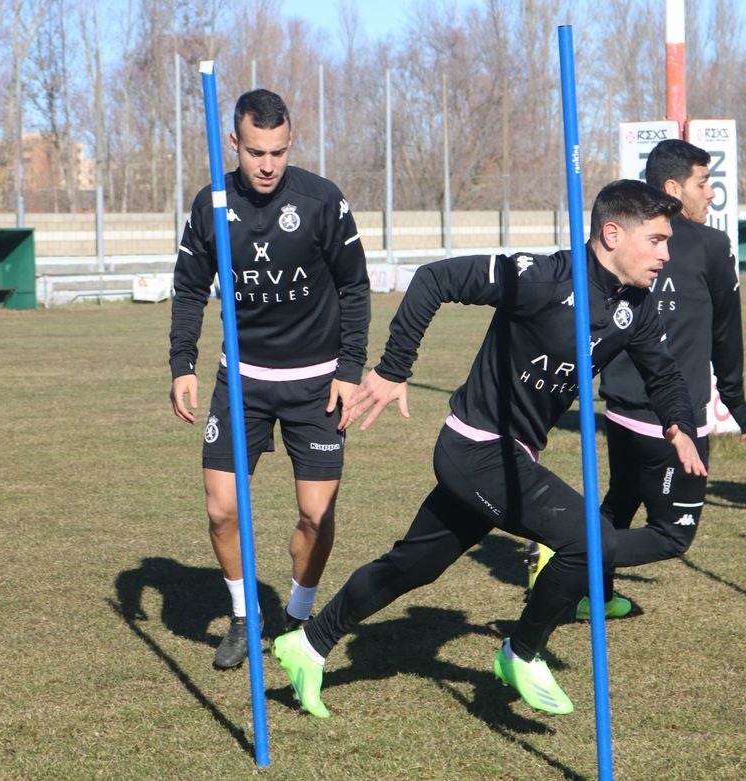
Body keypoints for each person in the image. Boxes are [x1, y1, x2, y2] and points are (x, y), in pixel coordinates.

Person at [270, 179, 706, 719]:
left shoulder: (633, 307)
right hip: (476, 449)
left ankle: (307, 644)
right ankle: (520, 653)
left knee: (412, 566)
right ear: (612, 234)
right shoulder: (543, 277)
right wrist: (392, 370)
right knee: (591, 540)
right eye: (658, 240)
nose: (667, 253)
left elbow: (664, 375)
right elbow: (434, 280)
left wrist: (680, 425)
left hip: (513, 457)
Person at [168, 89, 370, 669]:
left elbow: (356, 288)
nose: (267, 165)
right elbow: (188, 288)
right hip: (242, 383)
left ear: (290, 142)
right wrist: (182, 362)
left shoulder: (321, 200)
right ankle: (240, 615)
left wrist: (350, 370)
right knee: (221, 510)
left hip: (317, 385)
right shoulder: (210, 204)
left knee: (315, 514)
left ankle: (297, 620)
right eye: (256, 151)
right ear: (234, 142)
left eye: (278, 152)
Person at [528, 139, 746, 619]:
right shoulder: (710, 245)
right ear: (673, 188)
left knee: (620, 499)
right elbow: (727, 332)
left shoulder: (619, 249)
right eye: (704, 183)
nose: (711, 194)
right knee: (672, 534)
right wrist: (736, 401)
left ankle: (597, 595)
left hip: (619, 408)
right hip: (673, 418)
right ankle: (568, 563)